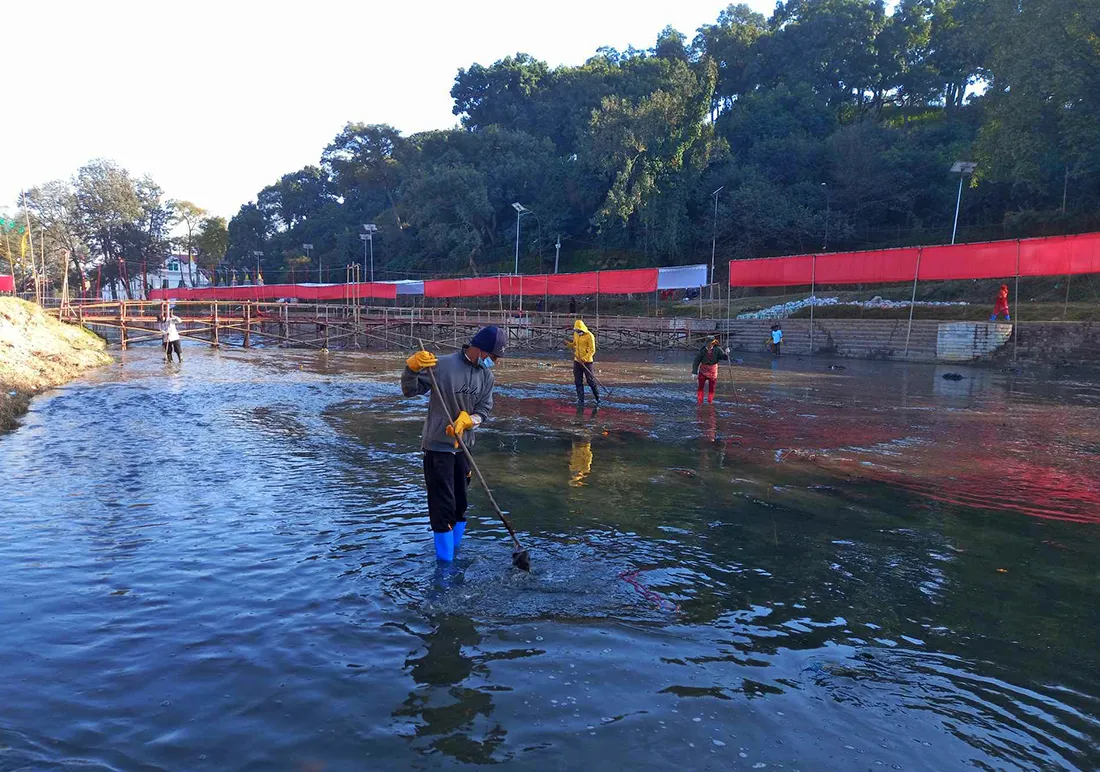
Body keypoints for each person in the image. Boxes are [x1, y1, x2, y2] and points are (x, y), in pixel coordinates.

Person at [401, 325, 505, 562]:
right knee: (443, 508)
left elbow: (484, 410)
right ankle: (444, 567)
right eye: (492, 356)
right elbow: (409, 390)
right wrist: (411, 369)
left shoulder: (486, 376)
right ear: (478, 349)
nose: (494, 362)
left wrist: (470, 421)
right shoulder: (442, 365)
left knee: (460, 505)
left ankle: (455, 555)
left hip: (464, 447)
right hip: (438, 447)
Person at [565, 319, 599, 404]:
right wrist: (569, 344)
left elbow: (592, 350)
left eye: (579, 330)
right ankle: (581, 400)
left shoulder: (589, 336)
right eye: (576, 330)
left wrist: (584, 359)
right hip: (577, 361)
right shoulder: (576, 334)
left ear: (582, 329)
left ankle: (597, 398)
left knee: (590, 381)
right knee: (578, 381)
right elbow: (574, 344)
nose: (577, 332)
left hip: (587, 362)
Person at [692, 337, 729, 404]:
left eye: (711, 344)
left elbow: (724, 358)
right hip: (703, 370)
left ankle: (710, 401)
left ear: (713, 344)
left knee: (712, 388)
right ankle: (700, 401)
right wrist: (694, 372)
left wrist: (726, 353)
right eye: (708, 345)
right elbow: (696, 361)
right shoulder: (702, 351)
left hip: (713, 370)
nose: (709, 346)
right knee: (700, 387)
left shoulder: (718, 349)